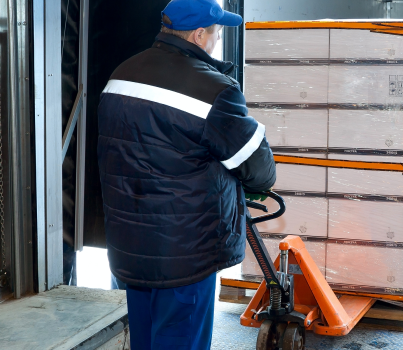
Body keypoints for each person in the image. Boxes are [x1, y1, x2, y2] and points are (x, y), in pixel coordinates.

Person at [96, 0, 276, 348]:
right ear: (198, 35)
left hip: (130, 249)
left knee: (144, 340)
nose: (216, 41)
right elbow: (259, 171)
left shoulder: (120, 75)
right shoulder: (214, 91)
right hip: (185, 256)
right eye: (216, 33)